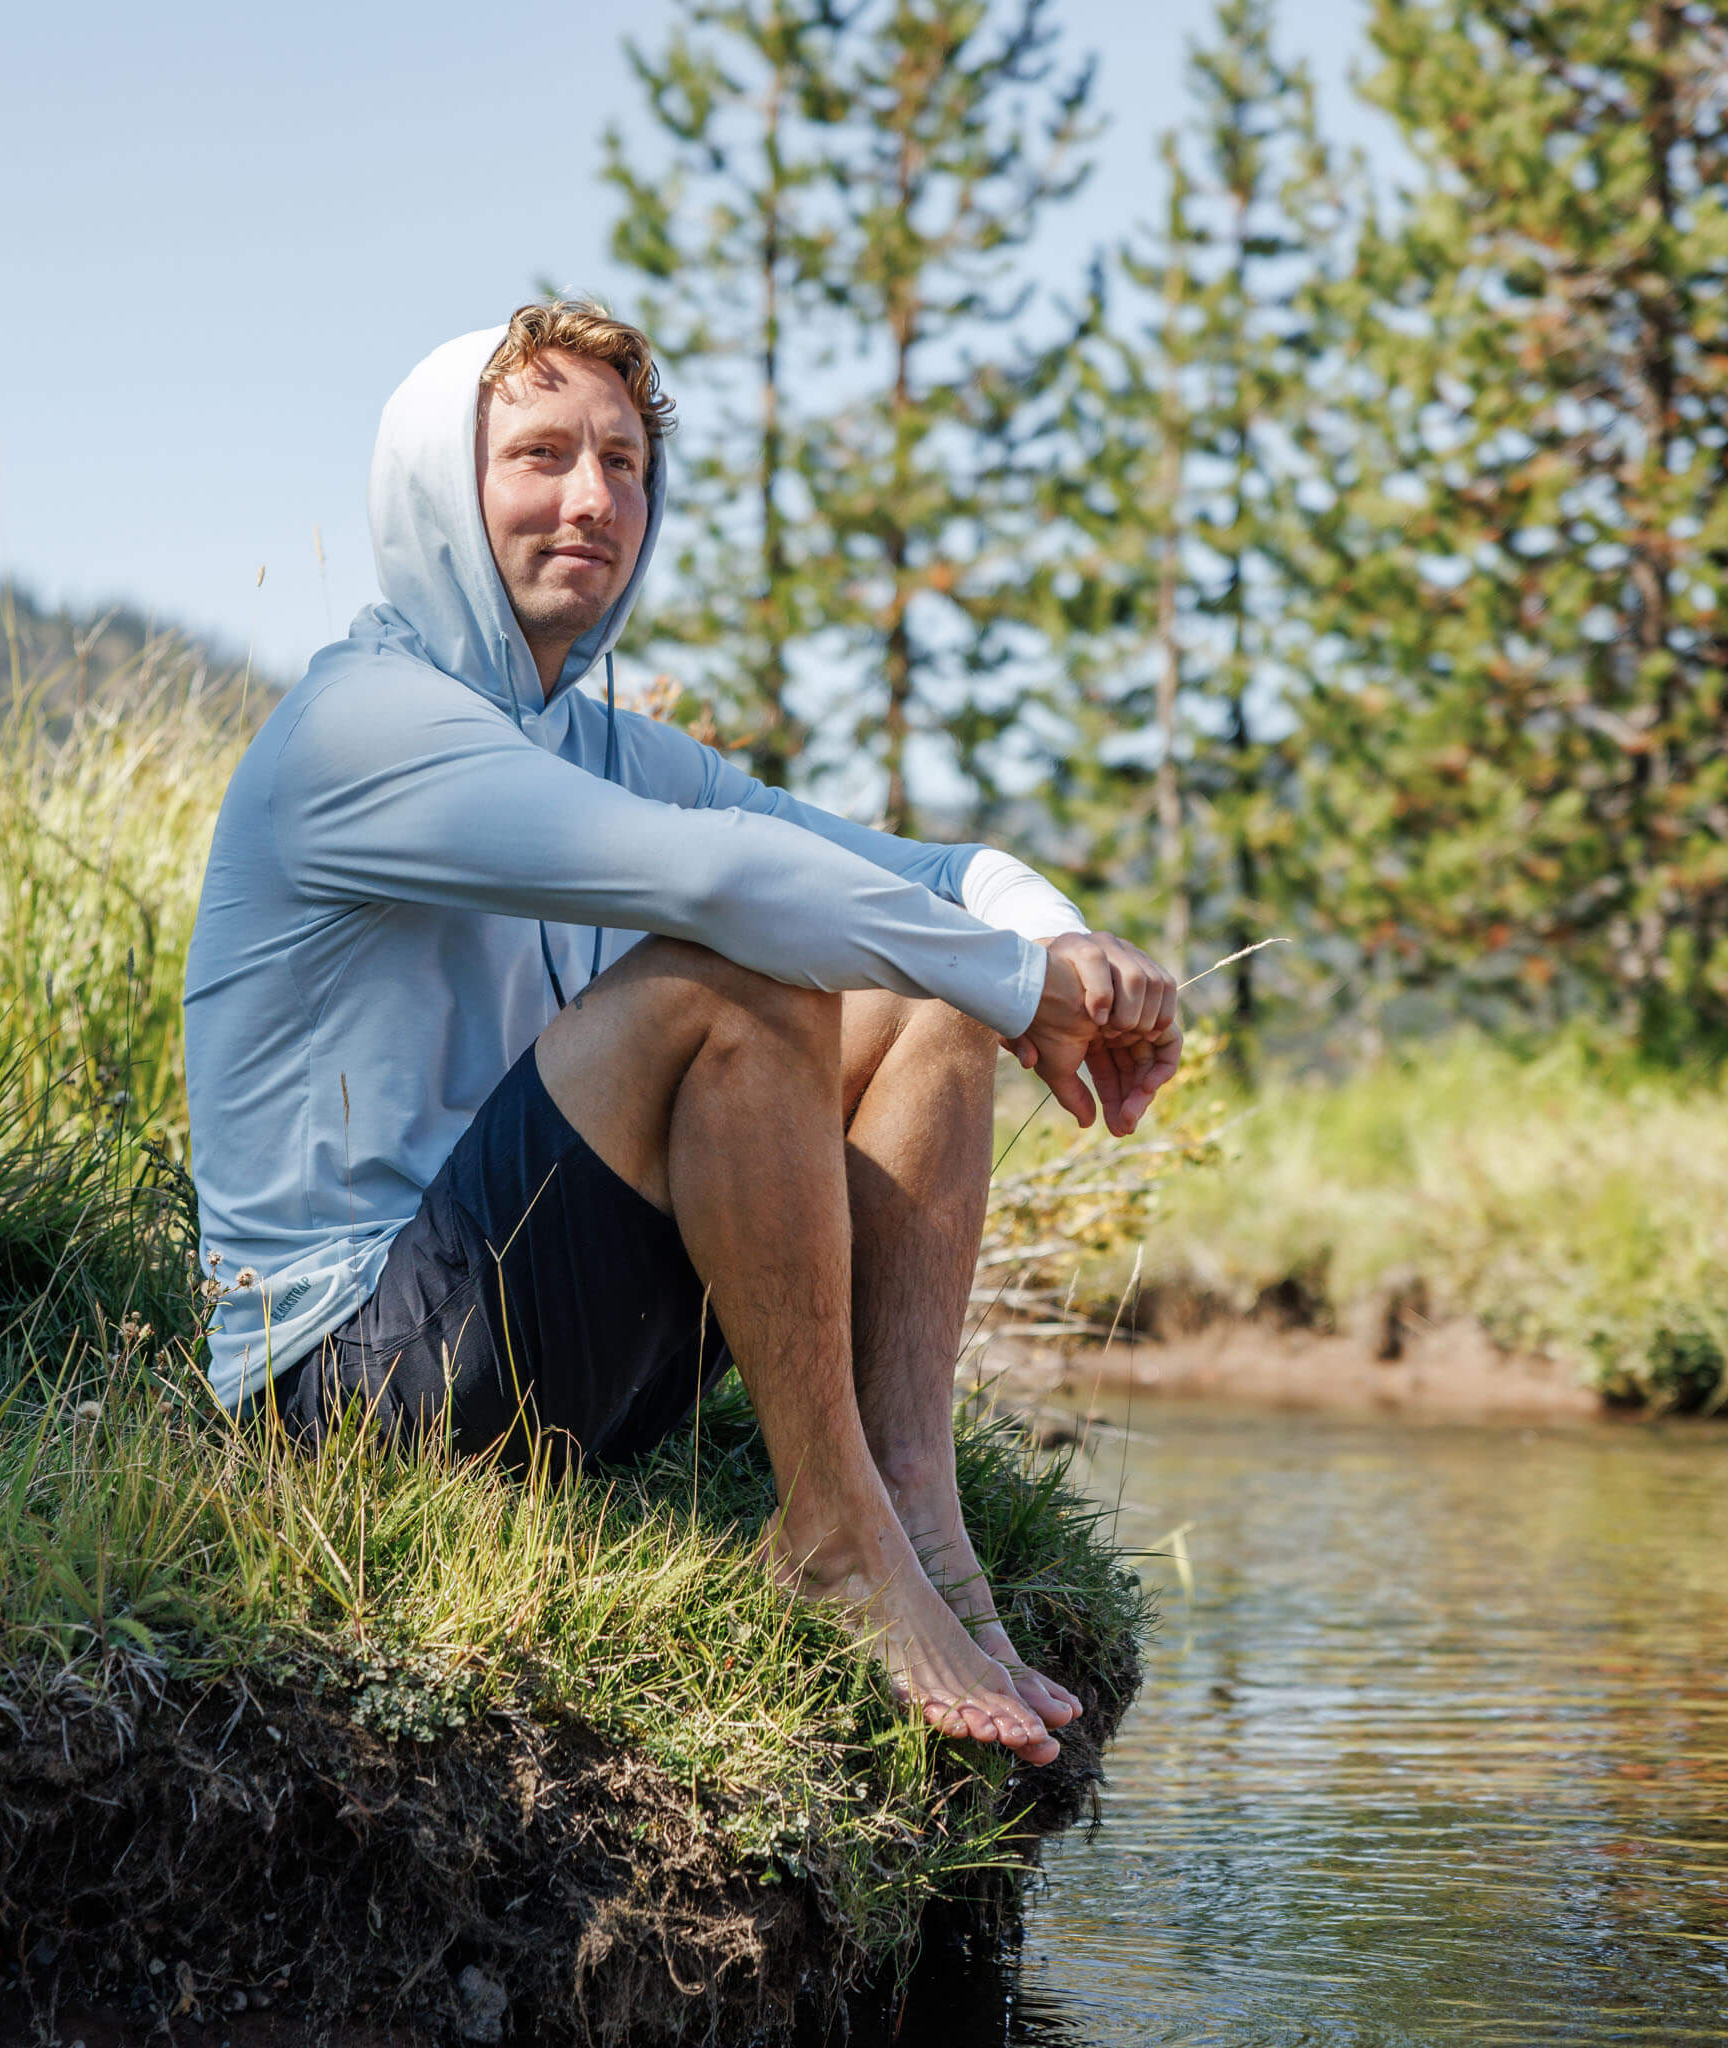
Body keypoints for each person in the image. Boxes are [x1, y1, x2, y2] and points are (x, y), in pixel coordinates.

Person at [183, 300, 1182, 1768]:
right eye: (539, 455)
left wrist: (1055, 943)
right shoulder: (364, 731)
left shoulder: (602, 741)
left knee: (918, 1002)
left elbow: (906, 871)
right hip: (343, 1392)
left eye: (626, 462)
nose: (594, 498)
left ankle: (910, 1498)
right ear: (438, 494)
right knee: (747, 972)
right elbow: (723, 885)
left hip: (546, 1345)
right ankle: (834, 1544)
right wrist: (1012, 981)